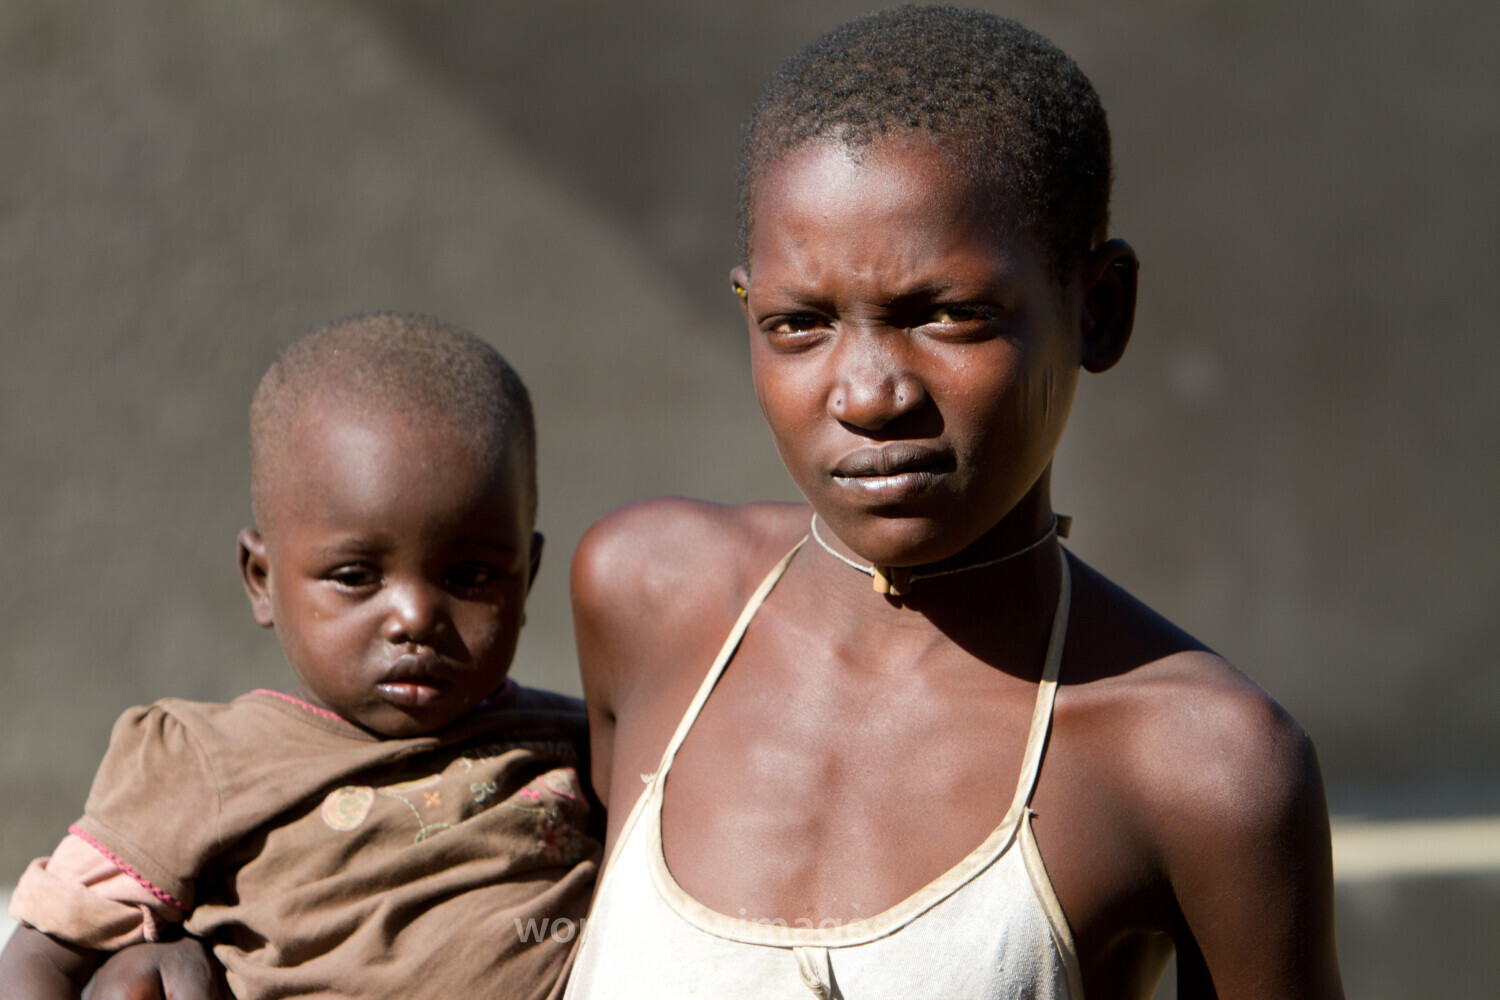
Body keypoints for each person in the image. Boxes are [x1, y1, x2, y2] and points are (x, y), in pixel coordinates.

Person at [563, 7, 1342, 999]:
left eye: (948, 314)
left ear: (1096, 309)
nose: (868, 394)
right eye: (798, 324)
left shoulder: (1203, 766)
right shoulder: (648, 595)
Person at [0, 313, 600, 1000]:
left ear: (528, 577)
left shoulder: (569, 748)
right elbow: (45, 952)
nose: (415, 618)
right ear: (261, 580)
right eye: (355, 577)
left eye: (469, 577)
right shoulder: (203, 761)